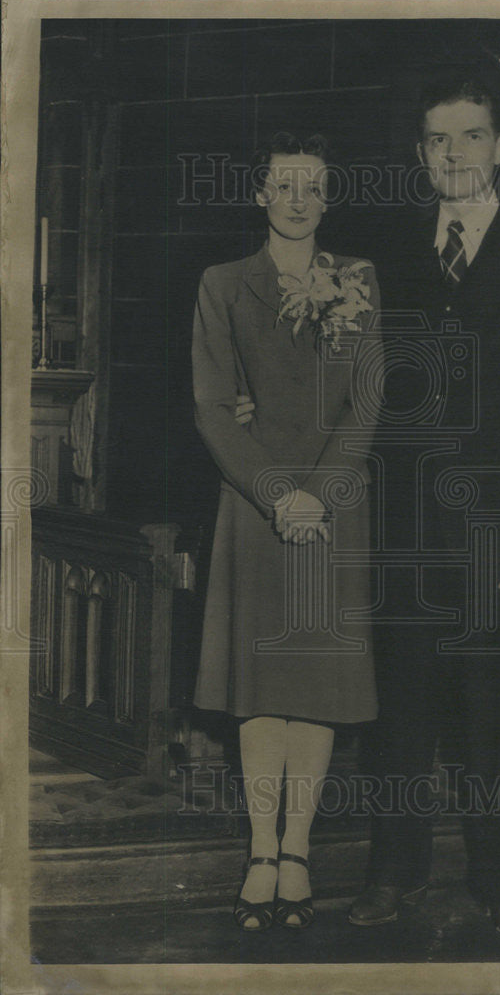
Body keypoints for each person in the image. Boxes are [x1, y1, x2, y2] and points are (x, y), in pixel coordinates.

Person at [347, 74, 500, 946]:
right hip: (406, 525)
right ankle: (394, 871)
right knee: (399, 710)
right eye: (438, 139)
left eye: (472, 135)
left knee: (499, 709)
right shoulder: (388, 248)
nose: (454, 152)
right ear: (420, 155)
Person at [191, 132, 382, 932]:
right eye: (283, 185)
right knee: (261, 693)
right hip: (255, 506)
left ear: (328, 197)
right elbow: (211, 406)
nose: (298, 199)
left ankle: (297, 849)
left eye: (313, 187)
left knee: (315, 693)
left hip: (335, 507)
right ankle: (258, 850)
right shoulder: (223, 285)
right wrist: (278, 495)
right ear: (259, 195)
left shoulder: (360, 282)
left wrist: (318, 494)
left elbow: (367, 403)